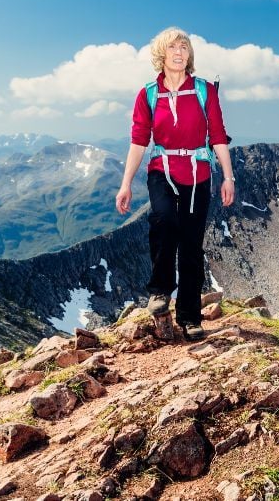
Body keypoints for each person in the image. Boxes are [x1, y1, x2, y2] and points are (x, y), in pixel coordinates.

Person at [115, 27, 235, 341]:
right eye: (173, 48)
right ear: (162, 55)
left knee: (191, 245)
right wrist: (125, 184)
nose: (179, 52)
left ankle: (190, 317)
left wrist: (228, 176)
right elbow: (139, 141)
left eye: (184, 47)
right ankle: (160, 292)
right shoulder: (148, 94)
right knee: (164, 221)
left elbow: (218, 135)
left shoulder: (204, 91)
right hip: (162, 168)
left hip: (198, 172)